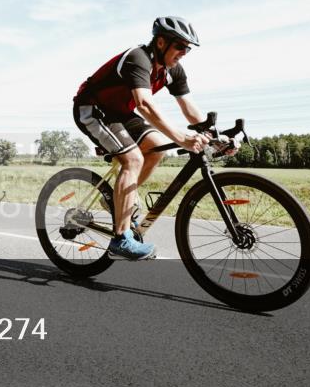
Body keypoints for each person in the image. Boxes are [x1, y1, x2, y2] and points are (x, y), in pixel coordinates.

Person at [73, 16, 213, 261]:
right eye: (180, 46)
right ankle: (120, 238)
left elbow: (188, 106)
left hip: (120, 113)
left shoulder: (173, 71)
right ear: (161, 42)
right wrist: (182, 137)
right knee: (133, 160)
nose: (184, 53)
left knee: (158, 147)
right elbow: (145, 105)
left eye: (187, 48)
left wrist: (212, 134)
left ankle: (120, 203)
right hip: (92, 108)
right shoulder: (138, 58)